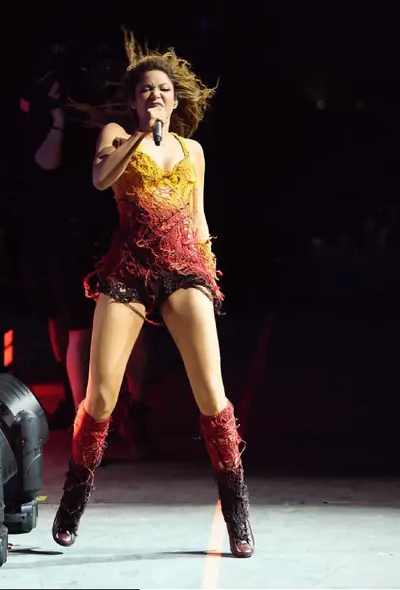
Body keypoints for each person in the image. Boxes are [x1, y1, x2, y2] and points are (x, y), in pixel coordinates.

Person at [50, 30, 254, 558]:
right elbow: (101, 180)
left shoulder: (193, 151)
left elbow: (198, 217)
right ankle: (74, 497)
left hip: (183, 268)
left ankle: (236, 510)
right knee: (100, 395)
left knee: (211, 394)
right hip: (129, 270)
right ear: (134, 100)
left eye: (163, 89)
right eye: (146, 90)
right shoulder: (118, 134)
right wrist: (141, 138)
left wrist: (208, 272)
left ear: (176, 98)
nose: (155, 96)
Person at [24, 44, 154, 459]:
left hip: (119, 226)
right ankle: (88, 425)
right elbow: (45, 165)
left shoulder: (125, 119)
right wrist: (59, 120)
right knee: (79, 329)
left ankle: (136, 409)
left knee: (134, 323)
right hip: (70, 231)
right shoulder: (59, 116)